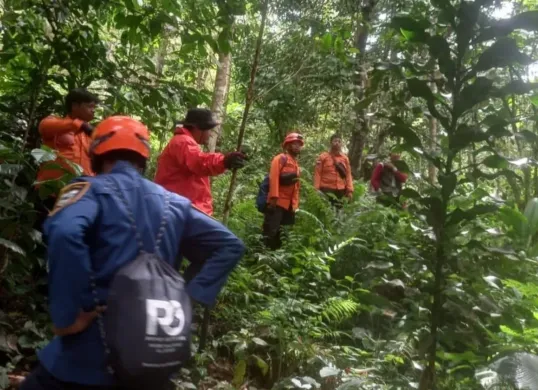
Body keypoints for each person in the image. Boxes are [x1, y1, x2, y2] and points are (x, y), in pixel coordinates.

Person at [19, 116, 245, 390]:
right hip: (152, 353)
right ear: (143, 157)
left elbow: (66, 233)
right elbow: (229, 245)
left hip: (87, 356)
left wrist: (69, 314)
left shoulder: (89, 189)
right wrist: (186, 298)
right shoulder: (174, 202)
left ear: (97, 154)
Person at [154, 108, 247, 216]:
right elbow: (200, 162)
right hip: (184, 210)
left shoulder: (182, 141)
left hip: (183, 208)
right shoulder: (183, 142)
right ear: (198, 129)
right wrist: (225, 161)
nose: (210, 134)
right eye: (208, 130)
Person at [33, 89, 99, 230]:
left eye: (94, 107)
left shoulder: (89, 136)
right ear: (75, 106)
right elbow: (44, 127)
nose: (93, 111)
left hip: (78, 196)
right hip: (51, 192)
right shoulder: (55, 123)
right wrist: (80, 125)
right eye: (89, 106)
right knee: (42, 235)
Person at [262, 132, 304, 250]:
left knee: (282, 235)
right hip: (277, 203)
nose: (297, 146)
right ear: (288, 145)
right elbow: (273, 178)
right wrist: (273, 199)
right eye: (294, 144)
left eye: (299, 144)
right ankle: (263, 258)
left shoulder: (296, 164)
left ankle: (276, 259)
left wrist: (295, 205)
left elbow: (296, 187)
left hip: (289, 205)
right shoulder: (280, 159)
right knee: (271, 232)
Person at [314, 134, 353, 207]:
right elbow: (317, 173)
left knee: (338, 213)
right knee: (326, 212)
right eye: (335, 141)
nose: (337, 143)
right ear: (331, 142)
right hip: (326, 189)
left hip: (341, 190)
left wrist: (350, 190)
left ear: (341, 144)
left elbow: (348, 175)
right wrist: (316, 189)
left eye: (339, 141)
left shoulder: (345, 158)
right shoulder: (323, 157)